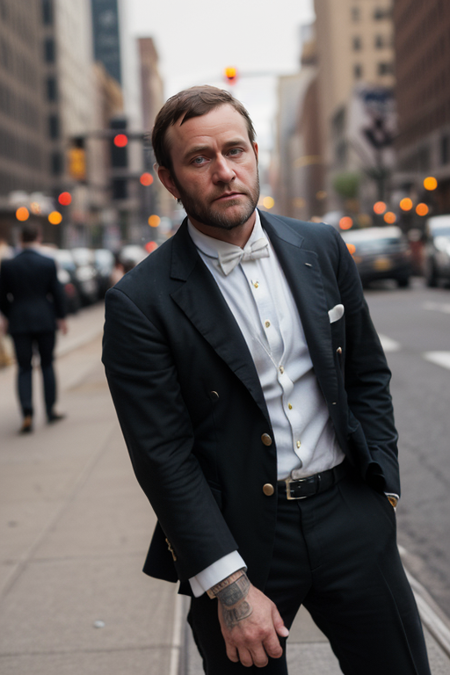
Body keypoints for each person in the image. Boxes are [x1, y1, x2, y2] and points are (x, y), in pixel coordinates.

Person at [102, 86, 431, 674]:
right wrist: (228, 585)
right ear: (170, 180)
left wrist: (383, 489)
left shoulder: (322, 247)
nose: (225, 171)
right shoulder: (139, 302)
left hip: (351, 513)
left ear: (257, 153)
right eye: (200, 159)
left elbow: (366, 374)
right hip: (239, 541)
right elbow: (162, 454)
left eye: (235, 150)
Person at [0, 223, 68, 433]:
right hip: (45, 319)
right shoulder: (48, 263)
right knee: (47, 364)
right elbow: (57, 292)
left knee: (24, 368)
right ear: (38, 238)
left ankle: (27, 413)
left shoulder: (8, 265)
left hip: (19, 322)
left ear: (20, 239)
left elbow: (2, 295)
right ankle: (50, 409)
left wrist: (10, 315)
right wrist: (61, 317)